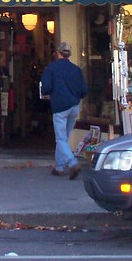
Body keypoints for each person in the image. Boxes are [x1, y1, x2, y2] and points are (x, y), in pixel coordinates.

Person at [40, 40, 88, 179]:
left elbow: (46, 88)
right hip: (74, 106)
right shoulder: (77, 69)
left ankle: (72, 163)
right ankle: (59, 167)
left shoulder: (51, 68)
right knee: (64, 139)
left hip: (60, 107)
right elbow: (84, 90)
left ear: (58, 53)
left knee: (60, 139)